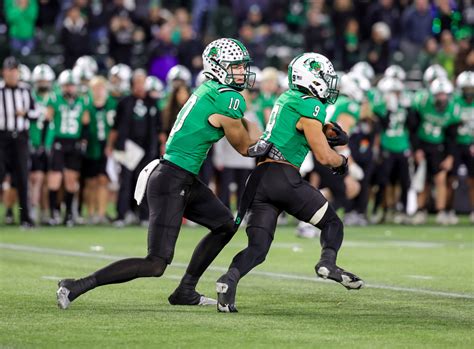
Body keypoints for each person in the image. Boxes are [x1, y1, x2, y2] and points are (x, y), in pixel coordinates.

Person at [56, 38, 261, 310]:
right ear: (218, 67)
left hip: (180, 176)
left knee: (225, 224)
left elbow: (247, 132)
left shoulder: (212, 91)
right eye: (235, 66)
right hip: (171, 179)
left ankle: (185, 290)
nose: (241, 72)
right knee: (156, 263)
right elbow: (247, 148)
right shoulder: (227, 98)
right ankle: (76, 285)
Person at [215, 53, 364, 313]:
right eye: (324, 78)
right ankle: (327, 262)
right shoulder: (310, 104)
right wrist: (342, 163)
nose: (328, 84)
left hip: (260, 177)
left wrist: (326, 131)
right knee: (332, 223)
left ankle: (228, 281)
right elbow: (323, 156)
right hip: (283, 176)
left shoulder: (287, 98)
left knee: (257, 248)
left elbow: (298, 130)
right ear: (311, 79)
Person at [46, 69, 90, 226]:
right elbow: (47, 120)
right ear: (61, 86)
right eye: (66, 85)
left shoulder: (82, 101)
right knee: (55, 179)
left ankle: (69, 214)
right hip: (59, 141)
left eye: (71, 85)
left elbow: (85, 123)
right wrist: (46, 143)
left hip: (74, 142)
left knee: (71, 180)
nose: (69, 88)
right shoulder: (54, 99)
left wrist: (83, 142)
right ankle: (53, 212)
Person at [0, 57, 37, 228]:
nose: (12, 73)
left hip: (21, 137)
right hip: (2, 137)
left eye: (15, 70)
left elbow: (37, 113)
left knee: (22, 177)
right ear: (3, 72)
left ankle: (25, 217)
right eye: (9, 70)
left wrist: (26, 113)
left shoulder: (26, 90)